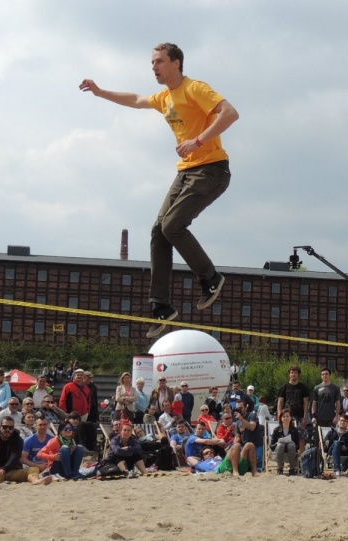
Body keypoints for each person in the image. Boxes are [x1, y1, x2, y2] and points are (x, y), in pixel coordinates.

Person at [80, 42, 238, 338]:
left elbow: (230, 113)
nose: (153, 67)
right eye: (152, 62)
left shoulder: (195, 89)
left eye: (159, 62)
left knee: (172, 225)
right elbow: (137, 99)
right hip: (187, 172)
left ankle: (211, 277)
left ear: (176, 63)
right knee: (158, 231)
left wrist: (198, 141)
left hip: (212, 169)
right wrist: (101, 93)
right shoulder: (165, 97)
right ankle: (162, 306)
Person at [0, 417, 53, 486]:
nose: (7, 430)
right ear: (0, 427)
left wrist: (4, 470)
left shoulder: (18, 440)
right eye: (5, 427)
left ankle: (35, 481)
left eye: (10, 427)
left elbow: (15, 457)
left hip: (12, 470)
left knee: (33, 469)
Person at [270, 409, 301, 475]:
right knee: (281, 445)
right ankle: (280, 469)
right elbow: (271, 446)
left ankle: (292, 469)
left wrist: (292, 442)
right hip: (279, 449)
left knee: (291, 445)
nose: (286, 418)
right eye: (284, 416)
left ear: (290, 418)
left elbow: (298, 446)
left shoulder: (294, 430)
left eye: (287, 416)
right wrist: (277, 443)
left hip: (291, 449)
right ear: (281, 419)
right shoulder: (276, 430)